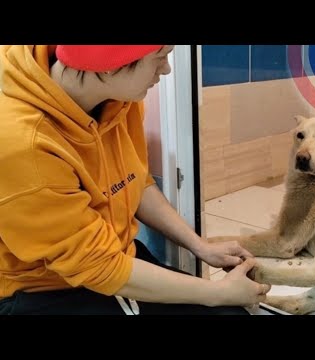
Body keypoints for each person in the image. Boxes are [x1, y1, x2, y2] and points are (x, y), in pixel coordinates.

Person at [0, 45, 270, 315]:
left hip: (114, 257)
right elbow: (99, 267)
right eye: (159, 58)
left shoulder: (119, 100)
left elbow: (135, 180)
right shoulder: (24, 145)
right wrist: (218, 292)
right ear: (107, 63)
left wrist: (201, 246)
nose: (167, 69)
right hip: (41, 290)